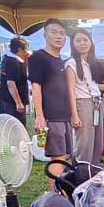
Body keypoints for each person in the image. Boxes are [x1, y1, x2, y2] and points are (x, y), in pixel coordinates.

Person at [29, 18, 74, 158]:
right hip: (51, 117)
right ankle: (55, 181)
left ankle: (61, 181)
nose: (59, 36)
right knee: (57, 157)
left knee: (65, 156)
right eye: (54, 32)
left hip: (64, 116)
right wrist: (40, 116)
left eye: (62, 33)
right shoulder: (38, 57)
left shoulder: (61, 60)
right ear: (45, 35)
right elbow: (36, 87)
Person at [65, 28, 104, 164]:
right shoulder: (71, 63)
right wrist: (74, 114)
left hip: (97, 103)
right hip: (83, 104)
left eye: (85, 40)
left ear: (91, 42)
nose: (82, 43)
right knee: (84, 144)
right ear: (73, 44)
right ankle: (80, 174)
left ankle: (93, 172)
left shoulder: (92, 63)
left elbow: (93, 86)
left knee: (97, 143)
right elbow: (70, 90)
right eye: (78, 40)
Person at [0, 37, 30, 118]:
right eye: (26, 49)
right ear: (20, 49)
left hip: (6, 100)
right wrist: (18, 102)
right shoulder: (13, 62)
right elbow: (10, 83)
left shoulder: (7, 59)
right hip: (12, 103)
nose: (27, 52)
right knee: (16, 126)